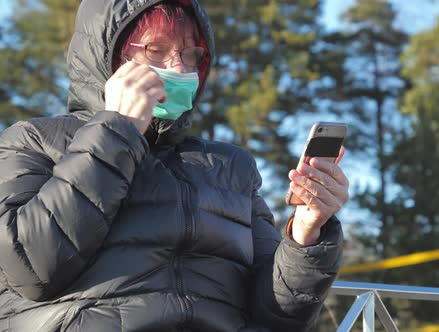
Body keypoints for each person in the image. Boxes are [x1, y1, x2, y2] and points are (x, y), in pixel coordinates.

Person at [0, 0, 349, 331]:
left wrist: (305, 234)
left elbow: (279, 317)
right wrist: (116, 130)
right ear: (108, 57)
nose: (179, 68)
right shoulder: (33, 140)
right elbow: (31, 269)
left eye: (190, 53)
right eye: (156, 50)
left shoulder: (231, 165)